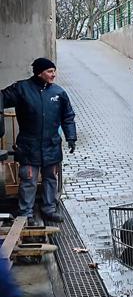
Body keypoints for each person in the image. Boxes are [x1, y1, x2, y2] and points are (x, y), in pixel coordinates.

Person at [1, 58, 77, 225]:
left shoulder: (59, 93)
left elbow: (68, 116)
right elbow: (2, 98)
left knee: (51, 178)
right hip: (29, 146)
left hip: (52, 145)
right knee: (29, 180)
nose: (54, 75)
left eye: (54, 71)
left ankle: (49, 208)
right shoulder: (21, 89)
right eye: (50, 71)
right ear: (39, 72)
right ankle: (25, 213)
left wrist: (71, 136)